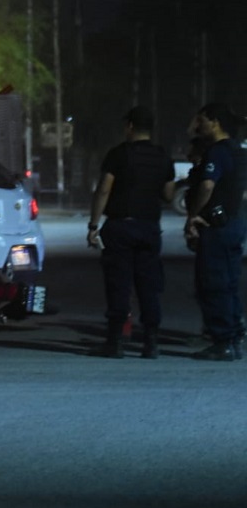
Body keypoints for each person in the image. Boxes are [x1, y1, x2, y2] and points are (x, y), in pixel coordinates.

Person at [85, 106, 175, 359]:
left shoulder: (118, 154)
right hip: (149, 228)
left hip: (120, 226)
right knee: (149, 285)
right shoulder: (162, 156)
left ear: (130, 126)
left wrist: (93, 225)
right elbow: (168, 195)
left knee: (118, 285)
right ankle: (151, 342)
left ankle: (114, 343)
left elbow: (103, 189)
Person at [183, 102, 247, 361]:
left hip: (216, 227)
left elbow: (207, 186)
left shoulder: (217, 152)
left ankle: (222, 341)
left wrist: (192, 216)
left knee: (212, 284)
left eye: (202, 120)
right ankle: (234, 334)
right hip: (234, 223)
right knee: (229, 283)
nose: (199, 126)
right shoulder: (239, 151)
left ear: (215, 121)